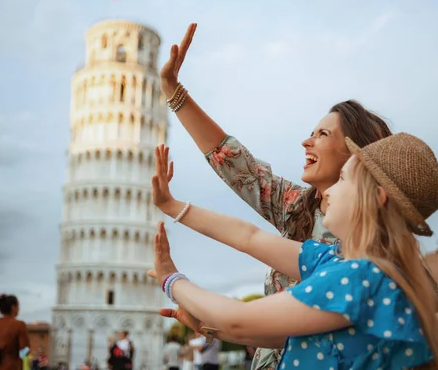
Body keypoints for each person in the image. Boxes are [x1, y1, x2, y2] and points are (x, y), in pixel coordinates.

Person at [159, 23, 394, 370]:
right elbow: (239, 172)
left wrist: (172, 280)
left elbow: (253, 321)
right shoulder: (302, 206)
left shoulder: (363, 254)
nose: (306, 141)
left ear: (355, 155)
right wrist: (174, 93)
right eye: (310, 132)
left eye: (322, 134)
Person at [149, 132, 438, 369]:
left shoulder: (360, 277)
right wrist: (171, 205)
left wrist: (171, 280)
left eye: (343, 179)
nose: (329, 191)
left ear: (376, 198)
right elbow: (248, 237)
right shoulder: (341, 262)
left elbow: (238, 320)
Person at [0, 294, 31, 370]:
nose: (19, 308)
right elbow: (24, 350)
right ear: (13, 307)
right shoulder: (19, 325)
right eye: (18, 306)